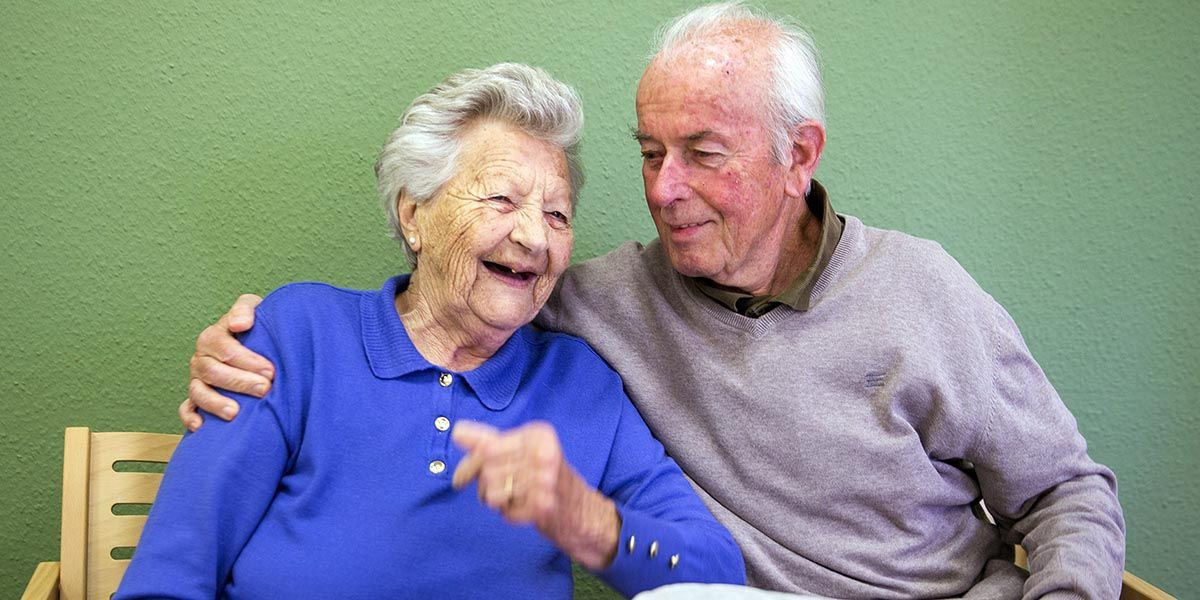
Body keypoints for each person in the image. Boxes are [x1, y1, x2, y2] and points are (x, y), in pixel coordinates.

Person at [182, 3, 1126, 598]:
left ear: (798, 158)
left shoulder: (924, 294)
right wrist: (243, 351)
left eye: (703, 154)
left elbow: (1065, 491)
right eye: (647, 153)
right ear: (413, 213)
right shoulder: (596, 307)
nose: (664, 189)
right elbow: (448, 314)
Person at [117, 62, 744, 600]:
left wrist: (586, 519)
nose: (533, 236)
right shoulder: (296, 339)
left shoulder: (581, 387)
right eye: (501, 200)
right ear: (413, 213)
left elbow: (717, 575)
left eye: (556, 214)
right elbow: (171, 573)